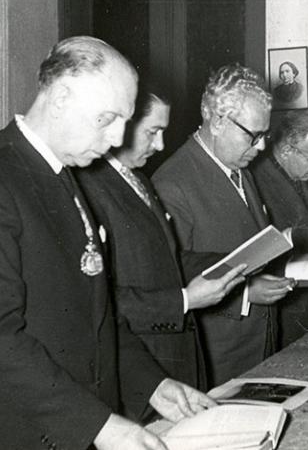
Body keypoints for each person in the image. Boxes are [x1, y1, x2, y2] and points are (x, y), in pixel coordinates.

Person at [0, 36, 214, 450]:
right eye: (108, 118)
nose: (118, 137)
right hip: (8, 434)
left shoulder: (65, 176)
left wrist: (153, 384)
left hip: (68, 425)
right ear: (60, 98)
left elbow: (95, 314)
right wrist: (100, 426)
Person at [76, 87, 247, 420]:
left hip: (176, 362)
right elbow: (99, 300)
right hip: (140, 370)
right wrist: (184, 301)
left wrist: (238, 262)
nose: (160, 146)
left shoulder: (138, 180)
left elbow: (169, 260)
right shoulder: (89, 188)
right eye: (153, 132)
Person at [153, 63, 294, 386]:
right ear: (217, 121)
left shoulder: (241, 171)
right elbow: (172, 281)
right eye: (253, 135)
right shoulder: (173, 183)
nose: (261, 147)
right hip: (216, 359)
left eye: (265, 135)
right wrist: (244, 293)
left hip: (259, 348)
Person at [251, 108, 308, 348]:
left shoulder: (296, 179)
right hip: (283, 317)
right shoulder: (257, 183)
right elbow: (260, 253)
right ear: (286, 149)